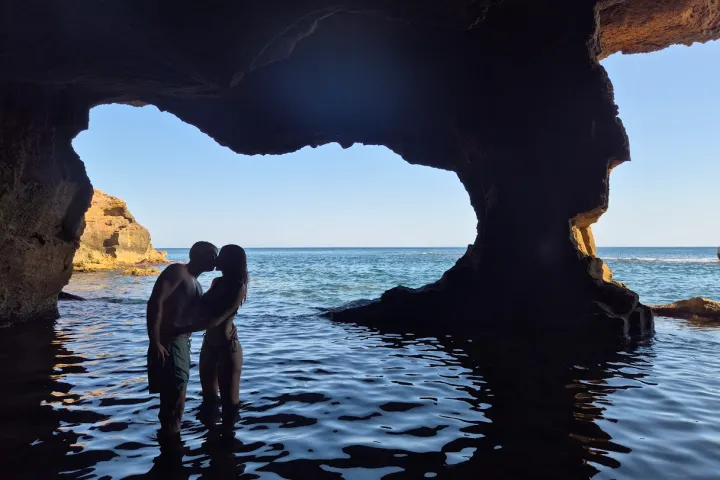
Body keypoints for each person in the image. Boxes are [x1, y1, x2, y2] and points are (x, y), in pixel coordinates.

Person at [146, 241, 218, 436]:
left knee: (175, 398)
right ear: (198, 255)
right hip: (169, 343)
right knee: (174, 399)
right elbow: (155, 302)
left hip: (180, 343)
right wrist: (155, 341)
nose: (216, 259)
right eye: (213, 255)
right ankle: (172, 447)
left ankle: (170, 439)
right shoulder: (178, 271)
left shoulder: (195, 282)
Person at [178, 244, 248, 429]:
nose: (217, 258)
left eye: (221, 255)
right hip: (209, 344)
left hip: (227, 347)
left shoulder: (238, 287)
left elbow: (217, 319)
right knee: (209, 400)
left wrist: (180, 330)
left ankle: (228, 448)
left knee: (230, 405)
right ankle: (210, 443)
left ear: (230, 260)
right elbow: (199, 305)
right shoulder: (217, 282)